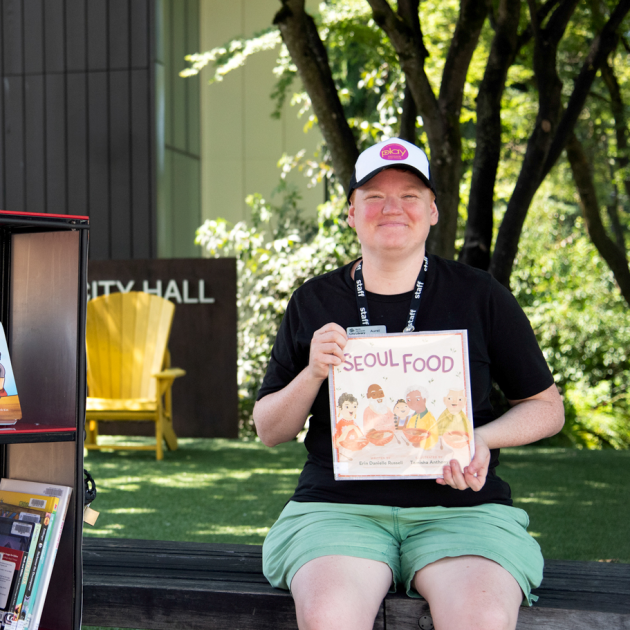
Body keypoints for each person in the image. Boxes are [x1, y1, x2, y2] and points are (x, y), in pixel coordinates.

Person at [253, 138, 564, 630]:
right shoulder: (313, 301)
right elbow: (269, 429)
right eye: (374, 196)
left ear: (433, 211)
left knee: (480, 619)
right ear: (351, 213)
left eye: (410, 195)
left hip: (462, 510)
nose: (391, 207)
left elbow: (547, 407)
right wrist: (313, 372)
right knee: (329, 617)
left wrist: (481, 438)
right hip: (338, 510)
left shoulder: (479, 294)